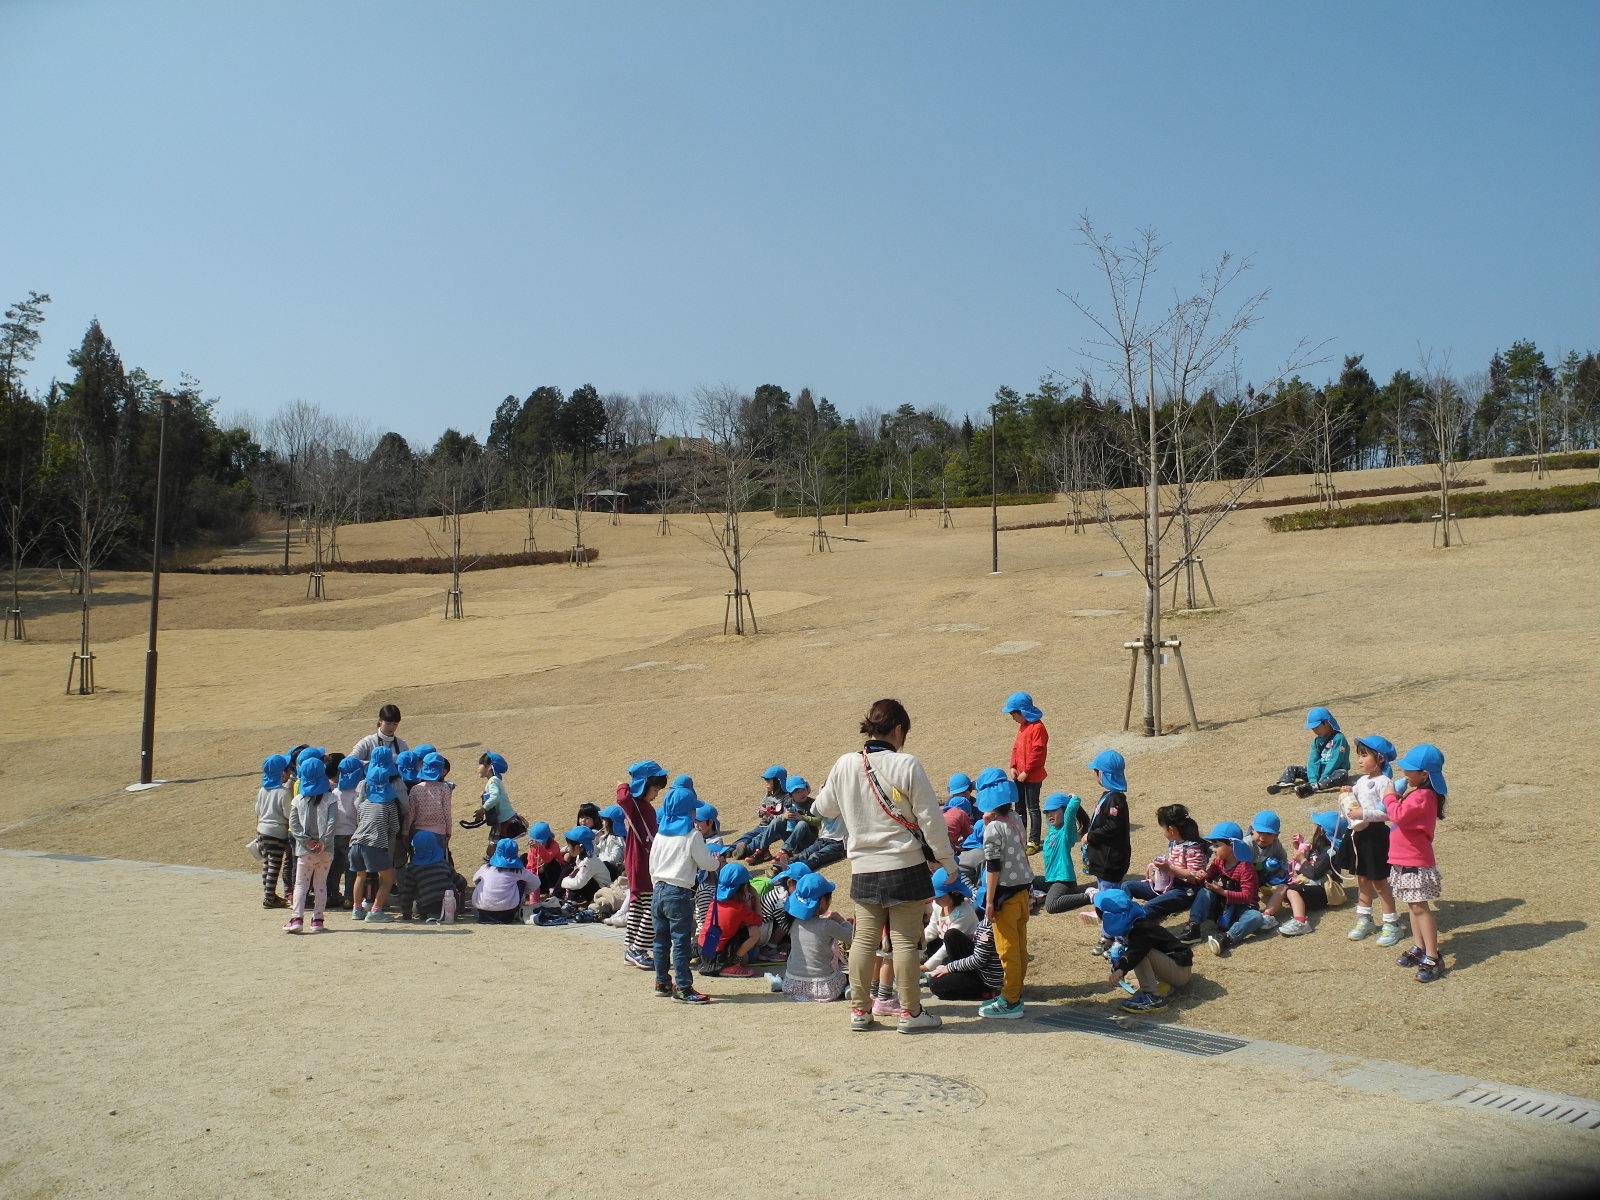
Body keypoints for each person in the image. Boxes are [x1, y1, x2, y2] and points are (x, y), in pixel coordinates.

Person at [811, 698, 958, 1034]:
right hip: (904, 864)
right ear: (897, 729)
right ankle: (911, 1013)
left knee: (864, 939)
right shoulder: (906, 764)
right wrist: (946, 860)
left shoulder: (846, 763)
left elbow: (824, 808)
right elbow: (930, 819)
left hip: (863, 866)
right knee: (904, 941)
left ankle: (860, 1011)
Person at [647, 784, 717, 1003]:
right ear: (687, 811)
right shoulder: (692, 836)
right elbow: (707, 863)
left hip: (658, 889)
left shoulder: (660, 835)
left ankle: (662, 982)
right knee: (680, 942)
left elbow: (652, 866)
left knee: (660, 941)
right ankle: (684, 988)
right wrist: (715, 860)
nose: (695, 814)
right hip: (678, 892)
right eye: (693, 810)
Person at [973, 767, 1032, 1019]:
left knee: (1006, 949)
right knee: (1019, 945)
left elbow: (993, 867)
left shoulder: (992, 830)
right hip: (1022, 892)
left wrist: (988, 901)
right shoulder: (1016, 817)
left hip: (1004, 896)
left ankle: (1010, 1000)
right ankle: (1014, 992)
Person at [1387, 744, 1448, 983]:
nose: (1405, 774)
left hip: (1415, 861)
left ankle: (1433, 956)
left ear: (1425, 774)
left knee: (1420, 907)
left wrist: (1390, 796)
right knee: (1412, 905)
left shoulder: (1424, 796)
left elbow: (1398, 815)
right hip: (1403, 860)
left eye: (1409, 771)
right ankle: (1419, 946)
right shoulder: (1416, 794)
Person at [1093, 888, 1195, 1013]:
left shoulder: (1142, 928)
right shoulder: (1133, 924)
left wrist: (1120, 969)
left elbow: (1136, 952)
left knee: (1141, 955)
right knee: (1130, 976)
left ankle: (1153, 997)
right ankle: (1162, 987)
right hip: (1169, 967)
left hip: (1179, 970)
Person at [1343, 734, 1403, 946]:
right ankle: (1364, 919)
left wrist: (1363, 814)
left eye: (1364, 755)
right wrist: (1348, 797)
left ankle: (1391, 924)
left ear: (1380, 759)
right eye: (1358, 755)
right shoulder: (1361, 781)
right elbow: (1354, 805)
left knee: (1379, 881)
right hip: (1359, 836)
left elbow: (1387, 813)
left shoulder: (1385, 782)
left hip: (1376, 836)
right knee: (1362, 879)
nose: (1359, 760)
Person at [1181, 823, 1269, 955]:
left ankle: (1227, 937)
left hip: (1241, 910)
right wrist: (1201, 878)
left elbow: (1247, 896)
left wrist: (1222, 892)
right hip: (1222, 908)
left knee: (1256, 917)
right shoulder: (1218, 862)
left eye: (1217, 845)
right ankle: (1193, 928)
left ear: (1232, 845)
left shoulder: (1246, 868)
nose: (1213, 849)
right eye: (1212, 845)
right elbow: (1206, 881)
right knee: (1205, 892)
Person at [616, 758, 668, 970]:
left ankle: (631, 947)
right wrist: (623, 785)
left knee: (638, 904)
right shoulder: (637, 805)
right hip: (642, 861)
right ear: (645, 784)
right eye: (655, 788)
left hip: (639, 861)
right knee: (652, 907)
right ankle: (638, 949)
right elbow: (622, 798)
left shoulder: (645, 806)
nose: (657, 793)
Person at [1118, 803, 1209, 918]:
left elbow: (1195, 876)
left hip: (1185, 890)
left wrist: (1169, 868)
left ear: (1171, 829)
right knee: (1127, 886)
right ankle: (1120, 911)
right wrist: (1160, 869)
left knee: (1149, 906)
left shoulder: (1192, 848)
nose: (1162, 832)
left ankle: (1133, 918)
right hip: (1167, 885)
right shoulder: (1174, 843)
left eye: (1163, 828)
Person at [1265, 810, 1345, 936]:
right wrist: (1299, 849)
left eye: (1316, 826)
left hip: (1325, 893)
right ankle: (1266, 916)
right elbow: (1300, 870)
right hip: (1311, 887)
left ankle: (1301, 922)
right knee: (1282, 887)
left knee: (1292, 890)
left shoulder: (1330, 852)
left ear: (1322, 831)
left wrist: (1302, 859)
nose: (1313, 828)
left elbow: (1314, 873)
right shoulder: (1317, 849)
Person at [285, 755, 338, 933]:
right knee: (320, 885)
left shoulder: (298, 800)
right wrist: (324, 841)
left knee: (301, 884)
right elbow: (332, 822)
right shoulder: (330, 799)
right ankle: (318, 920)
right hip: (326, 850)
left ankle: (297, 919)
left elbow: (293, 823)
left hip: (304, 850)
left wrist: (306, 841)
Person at [780, 874, 853, 1002]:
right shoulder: (827, 925)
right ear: (823, 901)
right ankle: (847, 989)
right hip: (823, 986)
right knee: (846, 977)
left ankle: (777, 982)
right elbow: (851, 937)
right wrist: (842, 921)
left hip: (791, 984)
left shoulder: (794, 922)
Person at [349, 762, 403, 923]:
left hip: (355, 844)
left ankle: (357, 909)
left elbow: (359, 822)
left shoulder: (363, 804)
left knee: (360, 875)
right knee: (388, 877)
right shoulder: (389, 804)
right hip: (375, 845)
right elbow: (395, 828)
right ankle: (376, 911)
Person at [1268, 706, 1351, 798]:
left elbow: (1335, 761)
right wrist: (1312, 779)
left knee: (1342, 773)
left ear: (1326, 723)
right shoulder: (1316, 741)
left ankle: (1316, 787)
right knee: (1291, 768)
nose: (1315, 731)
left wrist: (1323, 778)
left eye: (1317, 727)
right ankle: (1284, 784)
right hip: (1319, 771)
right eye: (1313, 728)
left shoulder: (1339, 738)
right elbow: (1313, 761)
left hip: (1334, 771)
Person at [1002, 691, 1050, 853]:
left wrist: (1026, 771)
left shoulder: (1038, 728)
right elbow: (1016, 748)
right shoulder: (1022, 727)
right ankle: (1019, 836)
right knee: (1019, 808)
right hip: (1020, 775)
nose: (1012, 718)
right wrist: (1013, 766)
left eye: (1013, 714)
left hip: (1032, 777)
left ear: (1022, 712)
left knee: (1033, 808)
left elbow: (1037, 753)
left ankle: (1033, 841)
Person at [698, 863, 762, 977]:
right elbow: (758, 920)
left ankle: (720, 964)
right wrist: (756, 897)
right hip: (718, 956)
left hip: (704, 948)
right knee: (755, 932)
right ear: (743, 887)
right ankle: (732, 965)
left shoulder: (715, 902)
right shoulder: (739, 908)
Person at [1082, 750, 1131, 887]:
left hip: (1109, 861)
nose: (1095, 776)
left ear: (1103, 775)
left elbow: (1113, 826)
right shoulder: (1109, 797)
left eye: (1096, 772)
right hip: (1102, 860)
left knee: (1109, 895)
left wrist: (1091, 836)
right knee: (1103, 889)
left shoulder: (1115, 799)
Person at [1037, 790, 1089, 913]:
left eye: (1054, 810)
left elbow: (1070, 814)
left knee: (1051, 906)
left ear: (1064, 811)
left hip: (1064, 881)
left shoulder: (1066, 832)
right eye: (1047, 812)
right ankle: (1041, 895)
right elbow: (1051, 818)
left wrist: (1073, 799)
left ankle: (1088, 896)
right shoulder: (1052, 831)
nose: (1050, 815)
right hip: (1050, 880)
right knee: (1026, 880)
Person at [921, 867, 981, 973]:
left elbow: (946, 948)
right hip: (947, 949)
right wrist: (917, 943)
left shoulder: (963, 912)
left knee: (951, 935)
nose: (935, 899)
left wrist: (927, 966)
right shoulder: (938, 905)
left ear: (955, 893)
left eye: (940, 896)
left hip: (966, 955)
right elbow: (932, 929)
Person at [255, 754, 294, 909]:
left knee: (266, 864)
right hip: (276, 833)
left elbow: (257, 809)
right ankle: (269, 897)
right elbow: (288, 814)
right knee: (275, 865)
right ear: (281, 774)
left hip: (262, 832)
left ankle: (268, 893)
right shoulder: (283, 793)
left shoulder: (262, 791)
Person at [328, 753, 365, 909]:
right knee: (351, 868)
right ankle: (349, 897)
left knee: (334, 867)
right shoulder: (357, 793)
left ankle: (331, 895)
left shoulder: (335, 792)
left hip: (335, 834)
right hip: (351, 835)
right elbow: (359, 815)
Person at [394, 830, 455, 922]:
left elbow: (407, 894)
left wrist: (406, 915)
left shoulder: (412, 868)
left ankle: (430, 914)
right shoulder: (444, 863)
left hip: (426, 908)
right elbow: (460, 881)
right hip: (449, 908)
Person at [472, 838, 537, 924]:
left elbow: (475, 880)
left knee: (481, 880)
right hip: (507, 914)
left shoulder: (485, 868)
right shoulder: (519, 871)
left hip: (481, 912)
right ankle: (517, 911)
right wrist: (524, 892)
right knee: (521, 882)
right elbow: (536, 882)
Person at [405, 753, 455, 855]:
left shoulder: (415, 789)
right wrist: (448, 831)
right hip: (439, 832)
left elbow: (410, 814)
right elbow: (447, 812)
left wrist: (405, 833)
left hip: (419, 833)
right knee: (440, 862)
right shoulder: (444, 788)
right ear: (442, 771)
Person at [558, 826, 611, 908]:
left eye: (569, 846)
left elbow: (578, 884)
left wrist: (564, 881)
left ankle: (571, 903)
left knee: (576, 875)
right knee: (569, 870)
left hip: (601, 890)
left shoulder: (589, 861)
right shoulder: (581, 855)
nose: (568, 849)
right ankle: (556, 896)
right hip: (589, 885)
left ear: (577, 847)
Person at [525, 822, 565, 896]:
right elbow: (531, 863)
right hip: (539, 877)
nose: (539, 844)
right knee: (524, 857)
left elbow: (548, 858)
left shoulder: (554, 845)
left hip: (553, 876)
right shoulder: (533, 848)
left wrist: (540, 847)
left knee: (550, 863)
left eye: (541, 842)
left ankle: (552, 888)